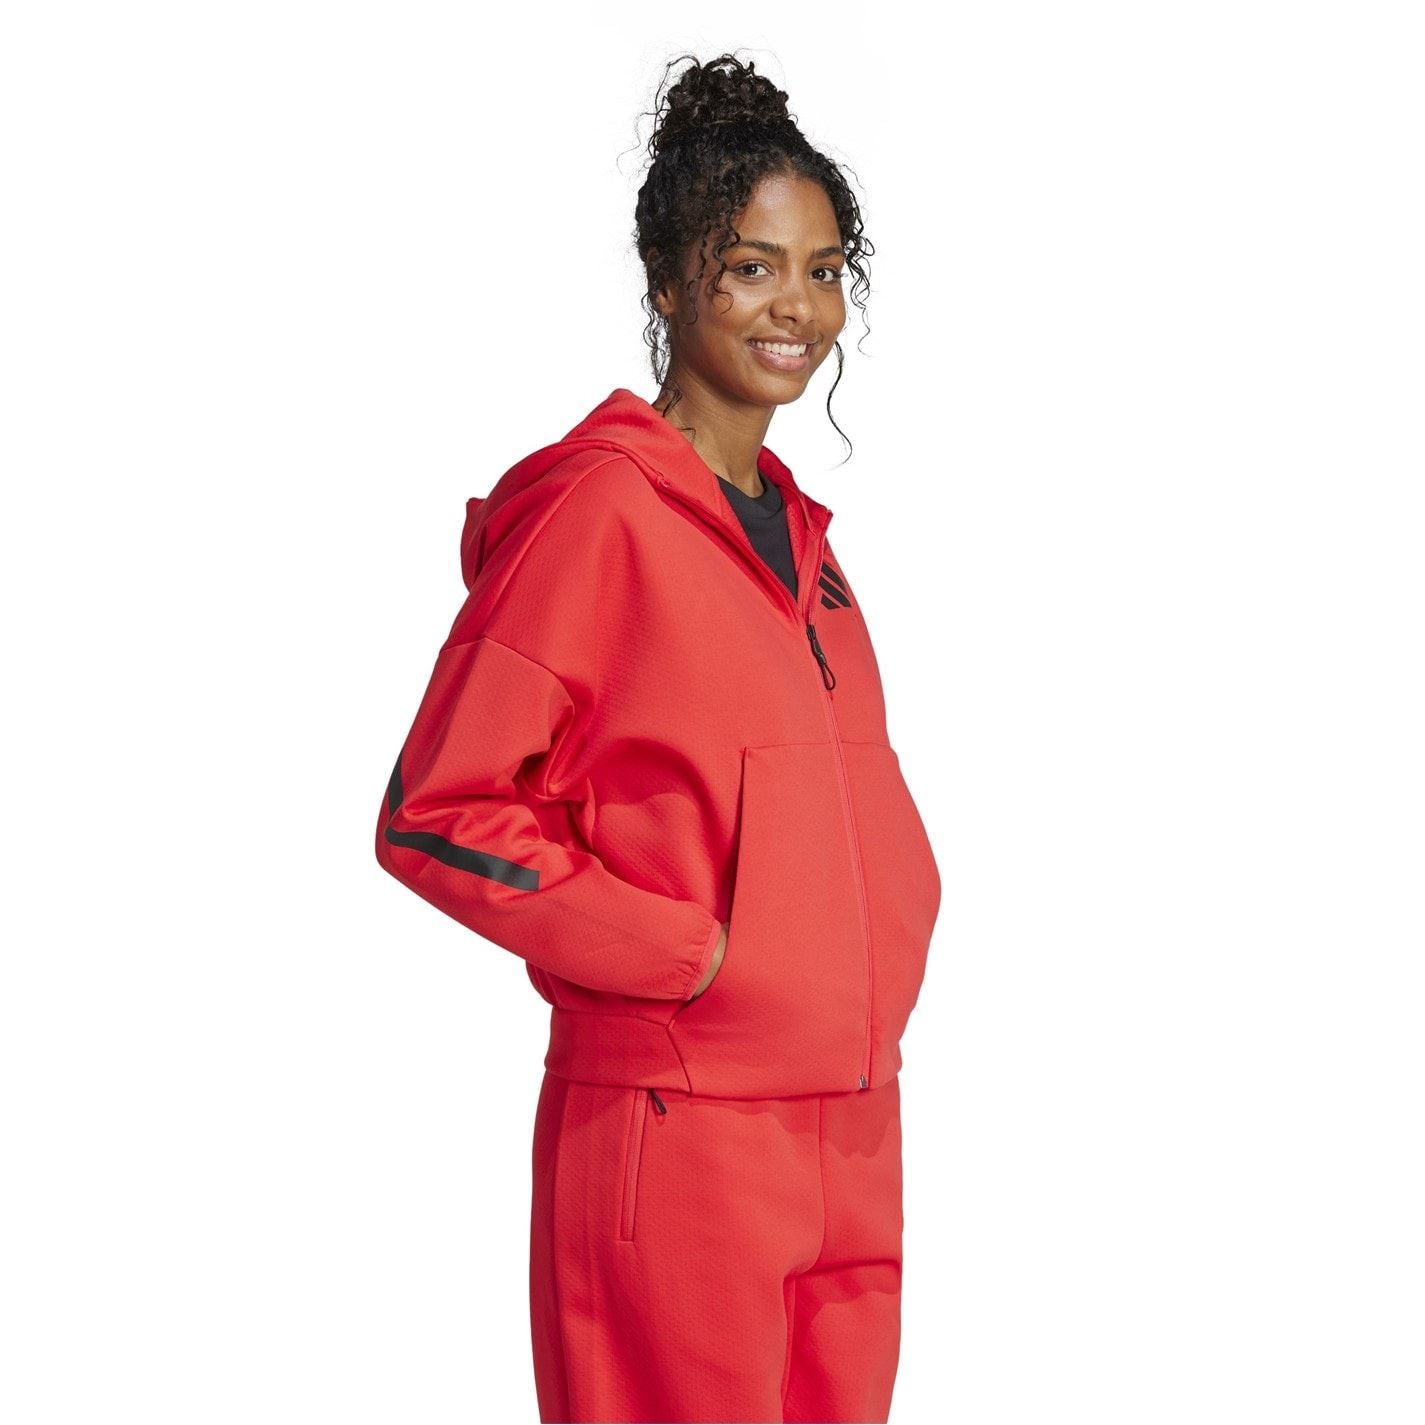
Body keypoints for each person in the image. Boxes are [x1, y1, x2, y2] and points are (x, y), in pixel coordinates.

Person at [374, 51, 941, 1425]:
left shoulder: (806, 546)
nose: (795, 305)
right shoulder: (600, 517)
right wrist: (687, 956)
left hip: (853, 1123)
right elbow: (436, 810)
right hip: (682, 1130)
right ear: (668, 282)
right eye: (750, 268)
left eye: (822, 271)